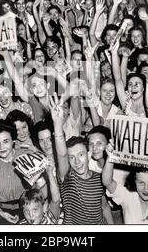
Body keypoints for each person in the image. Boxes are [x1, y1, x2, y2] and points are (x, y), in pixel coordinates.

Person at [49, 95, 110, 224]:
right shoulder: (67, 178)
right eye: (72, 157)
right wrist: (57, 125)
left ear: (88, 154)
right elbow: (61, 154)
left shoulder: (100, 178)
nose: (77, 161)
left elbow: (104, 206)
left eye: (81, 155)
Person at [0, 120, 33, 224]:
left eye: (6, 141)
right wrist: (0, 212)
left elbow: (38, 188)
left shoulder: (25, 156)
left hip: (26, 209)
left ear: (13, 140)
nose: (1, 147)